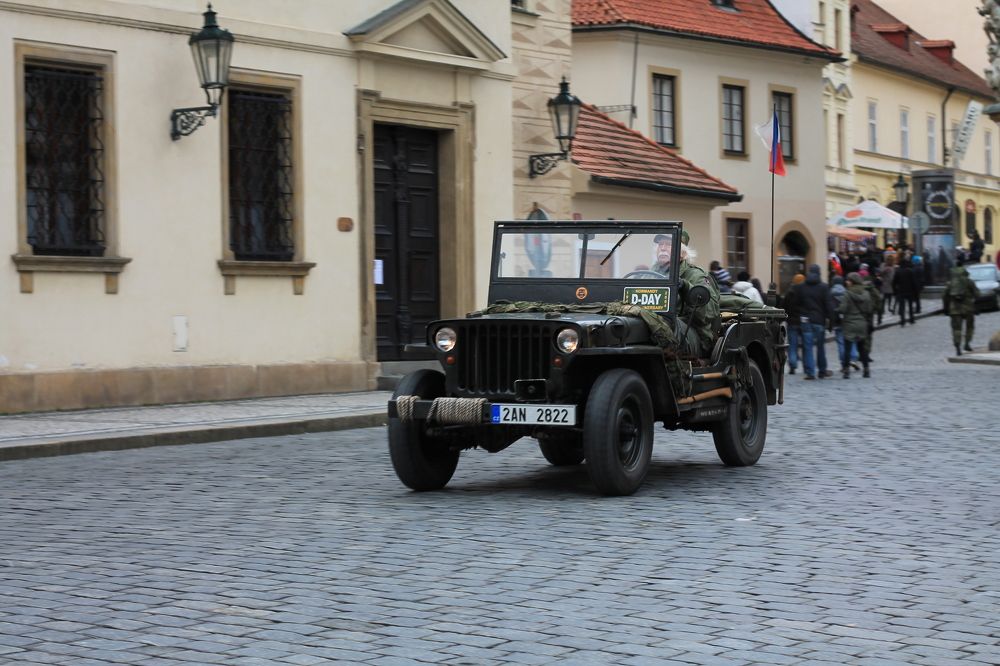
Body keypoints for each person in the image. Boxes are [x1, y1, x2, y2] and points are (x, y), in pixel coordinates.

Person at [675, 232, 721, 357]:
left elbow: (711, 311)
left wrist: (686, 287)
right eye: (660, 244)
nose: (662, 248)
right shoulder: (650, 275)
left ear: (683, 254)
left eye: (668, 245)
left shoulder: (696, 275)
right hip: (660, 329)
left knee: (668, 328)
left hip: (694, 333)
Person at [797, 264, 834, 380]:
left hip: (806, 320)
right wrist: (831, 321)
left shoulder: (801, 287)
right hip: (819, 320)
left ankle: (810, 372)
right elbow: (829, 306)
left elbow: (797, 304)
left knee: (807, 347)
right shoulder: (824, 287)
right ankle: (822, 370)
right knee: (820, 347)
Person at [837, 272, 872, 378]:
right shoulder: (866, 293)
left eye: (848, 280)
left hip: (849, 324)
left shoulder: (847, 293)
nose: (846, 282)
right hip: (861, 323)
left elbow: (843, 309)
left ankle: (847, 371)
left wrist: (836, 310)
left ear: (852, 282)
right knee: (862, 348)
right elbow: (869, 309)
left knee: (848, 348)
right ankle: (866, 370)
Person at [943, 265, 980, 355]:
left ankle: (957, 347)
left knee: (956, 329)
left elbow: (944, 296)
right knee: (970, 327)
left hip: (954, 310)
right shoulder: (969, 282)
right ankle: (967, 343)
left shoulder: (950, 283)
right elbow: (977, 294)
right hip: (968, 309)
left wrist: (946, 308)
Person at [783, 274, 806, 374]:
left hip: (792, 321)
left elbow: (784, 307)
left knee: (792, 344)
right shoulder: (805, 292)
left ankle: (792, 365)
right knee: (806, 344)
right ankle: (807, 365)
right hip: (803, 321)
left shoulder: (790, 292)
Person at [892, 259, 918, 326]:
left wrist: (895, 291)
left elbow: (894, 282)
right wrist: (915, 291)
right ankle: (911, 319)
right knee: (910, 306)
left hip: (901, 291)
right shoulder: (910, 271)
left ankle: (902, 320)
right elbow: (914, 282)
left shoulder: (898, 271)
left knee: (902, 306)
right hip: (910, 291)